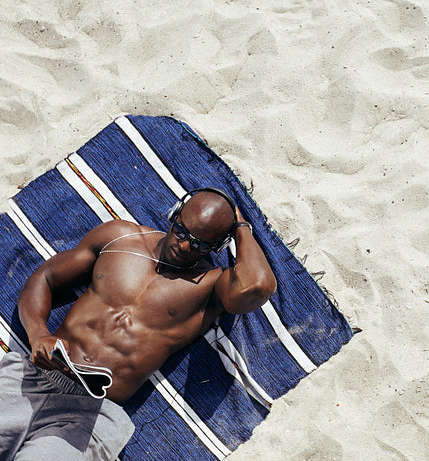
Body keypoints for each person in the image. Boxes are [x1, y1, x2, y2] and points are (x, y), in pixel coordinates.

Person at [0, 188, 277, 460]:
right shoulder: (121, 237)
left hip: (91, 414)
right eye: (181, 231)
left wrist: (241, 227)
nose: (183, 246)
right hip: (35, 375)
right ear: (175, 214)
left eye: (199, 244)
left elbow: (258, 285)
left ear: (217, 247)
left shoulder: (211, 286)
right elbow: (45, 278)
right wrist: (38, 334)